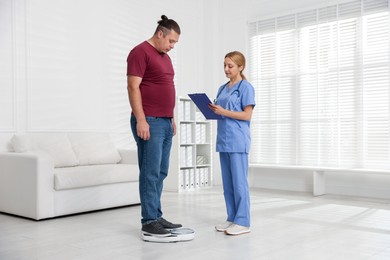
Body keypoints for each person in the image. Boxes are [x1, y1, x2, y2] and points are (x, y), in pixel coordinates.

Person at [127, 15, 182, 237]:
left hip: (165, 121)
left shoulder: (165, 57)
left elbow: (165, 86)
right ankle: (149, 220)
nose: (172, 47)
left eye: (175, 43)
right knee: (150, 172)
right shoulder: (140, 52)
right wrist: (141, 119)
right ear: (160, 33)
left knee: (161, 171)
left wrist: (171, 117)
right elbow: (133, 87)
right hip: (149, 120)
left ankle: (157, 216)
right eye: (171, 41)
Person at [208, 51, 255, 236]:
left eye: (230, 66)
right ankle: (232, 218)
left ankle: (243, 222)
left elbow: (247, 115)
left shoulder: (246, 87)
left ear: (240, 67)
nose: (226, 69)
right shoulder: (222, 88)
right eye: (225, 65)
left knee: (239, 183)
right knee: (228, 184)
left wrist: (223, 111)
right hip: (223, 139)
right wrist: (210, 109)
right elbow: (219, 111)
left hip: (238, 140)